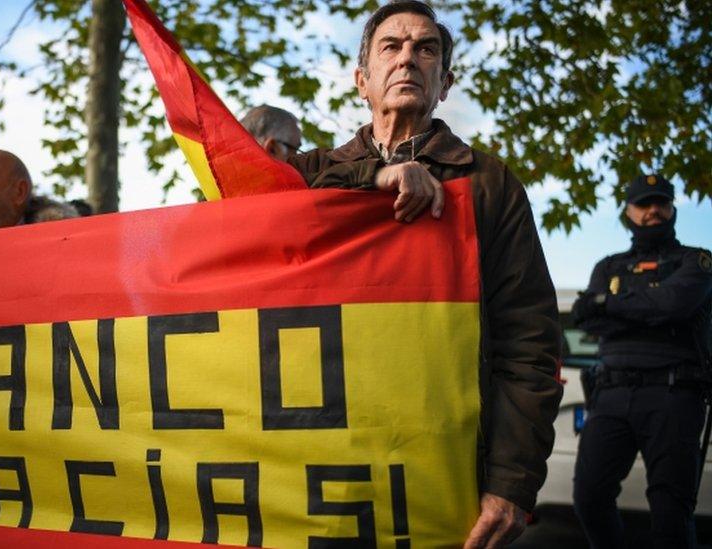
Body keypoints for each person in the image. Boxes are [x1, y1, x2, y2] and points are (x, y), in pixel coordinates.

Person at [287, 2, 562, 546]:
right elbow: (227, 215)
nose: (408, 58)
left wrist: (511, 483)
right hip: (312, 464)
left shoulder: (489, 184)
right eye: (391, 46)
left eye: (426, 48)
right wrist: (374, 177)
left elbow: (527, 345)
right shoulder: (306, 175)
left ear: (445, 82)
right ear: (362, 81)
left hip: (443, 473)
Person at [571, 174, 711, 548]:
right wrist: (650, 306)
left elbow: (675, 304)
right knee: (588, 498)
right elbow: (586, 315)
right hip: (611, 395)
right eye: (644, 204)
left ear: (673, 209)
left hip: (673, 395)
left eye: (661, 203)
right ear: (627, 212)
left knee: (671, 513)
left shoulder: (696, 261)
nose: (653, 211)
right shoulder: (608, 265)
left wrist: (613, 305)